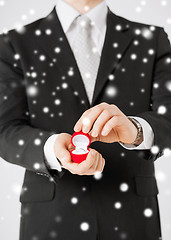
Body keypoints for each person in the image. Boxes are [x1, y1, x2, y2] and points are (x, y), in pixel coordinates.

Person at [0, 0, 171, 239]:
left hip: (131, 217)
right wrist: (52, 148)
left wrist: (135, 130)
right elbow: (5, 130)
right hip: (49, 217)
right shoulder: (14, 44)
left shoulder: (151, 38)